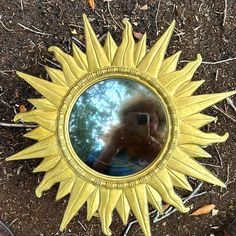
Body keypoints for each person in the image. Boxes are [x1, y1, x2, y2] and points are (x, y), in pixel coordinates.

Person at [86, 95, 166, 176]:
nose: (140, 124)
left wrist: (160, 158)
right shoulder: (105, 151)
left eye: (146, 119)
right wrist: (111, 148)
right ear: (123, 123)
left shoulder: (167, 150)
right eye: (134, 119)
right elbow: (88, 179)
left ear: (159, 123)